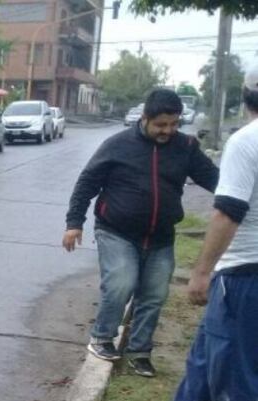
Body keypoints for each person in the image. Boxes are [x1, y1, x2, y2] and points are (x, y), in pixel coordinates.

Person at [133, 62, 258, 401]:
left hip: (243, 268)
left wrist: (203, 270)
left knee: (232, 357)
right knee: (207, 347)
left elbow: (228, 211)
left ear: (245, 95)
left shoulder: (246, 141)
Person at [63, 89, 220, 377]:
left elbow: (214, 180)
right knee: (122, 282)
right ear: (145, 118)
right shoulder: (118, 145)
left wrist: (238, 199)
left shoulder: (185, 147)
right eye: (161, 125)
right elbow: (87, 183)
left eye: (174, 124)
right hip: (116, 231)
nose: (168, 131)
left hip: (161, 236)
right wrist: (74, 223)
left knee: (154, 294)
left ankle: (140, 352)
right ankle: (102, 337)